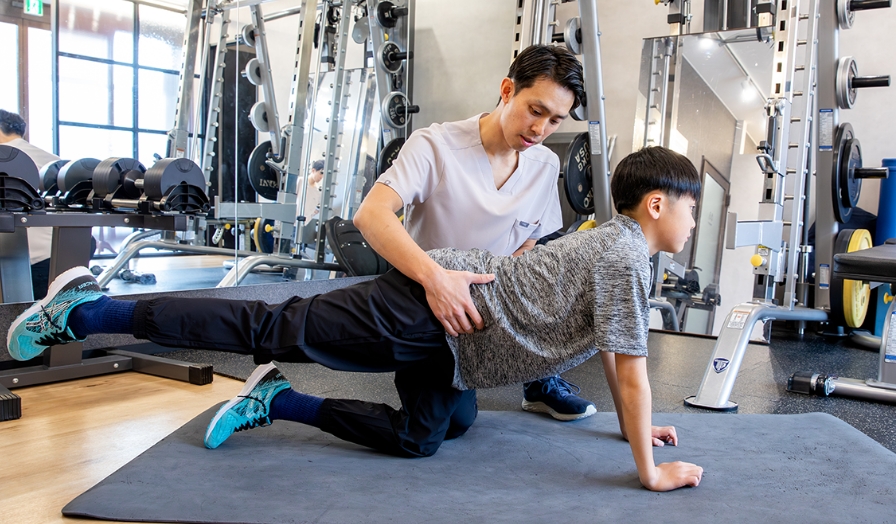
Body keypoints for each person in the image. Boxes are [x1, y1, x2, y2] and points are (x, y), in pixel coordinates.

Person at [7, 146, 703, 492]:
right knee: (266, 328)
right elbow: (634, 372)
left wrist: (630, 429)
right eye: (690, 205)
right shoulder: (622, 254)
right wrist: (649, 468)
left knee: (427, 435)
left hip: (460, 350)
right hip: (428, 310)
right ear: (655, 205)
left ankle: (277, 399)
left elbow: (619, 354)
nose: (693, 218)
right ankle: (88, 309)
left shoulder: (627, 256)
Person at [354, 44, 594, 421]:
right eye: (535, 110)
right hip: (426, 299)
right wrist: (436, 280)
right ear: (507, 90)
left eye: (555, 120)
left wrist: (509, 297)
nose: (540, 129)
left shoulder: (546, 164)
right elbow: (370, 215)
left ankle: (540, 380)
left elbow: (529, 242)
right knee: (452, 425)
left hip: (486, 302)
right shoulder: (436, 144)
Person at [0, 109, 59, 299]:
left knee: (18, 316)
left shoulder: (6, 157)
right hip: (58, 250)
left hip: (25, 259)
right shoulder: (52, 160)